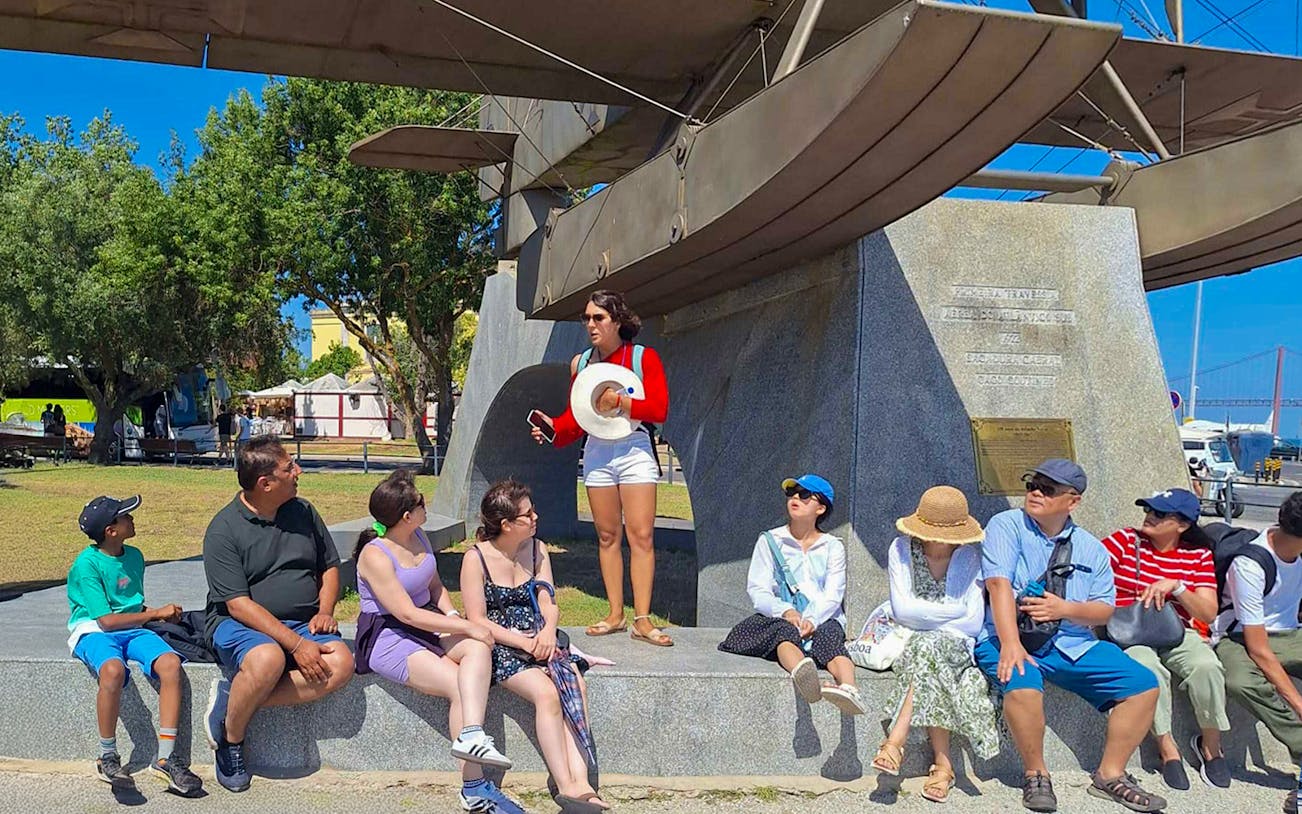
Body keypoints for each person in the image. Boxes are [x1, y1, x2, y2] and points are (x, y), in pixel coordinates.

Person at [974, 459, 1165, 813]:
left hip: (1070, 643)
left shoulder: (1091, 548)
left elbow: (1104, 610)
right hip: (1004, 636)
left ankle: (1110, 774)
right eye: (1032, 483)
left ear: (1072, 501)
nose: (1035, 493)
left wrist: (1064, 609)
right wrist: (1012, 644)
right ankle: (1036, 773)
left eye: (1048, 489)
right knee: (1022, 681)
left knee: (1143, 684)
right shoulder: (1006, 524)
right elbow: (998, 585)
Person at [354, 470, 527, 814]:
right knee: (458, 684)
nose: (425, 505)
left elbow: (434, 588)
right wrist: (467, 625)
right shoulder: (375, 555)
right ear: (406, 515)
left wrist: (453, 619)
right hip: (388, 635)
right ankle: (474, 788)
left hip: (427, 621)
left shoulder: (418, 534)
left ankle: (472, 734)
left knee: (479, 647)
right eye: (421, 502)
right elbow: (406, 614)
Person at [201, 437, 354, 793]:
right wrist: (297, 644)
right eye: (290, 468)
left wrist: (325, 610)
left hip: (304, 621)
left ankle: (232, 700)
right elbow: (238, 604)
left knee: (342, 663)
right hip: (238, 624)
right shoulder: (223, 530)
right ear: (265, 483)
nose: (298, 472)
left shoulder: (303, 512)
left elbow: (329, 566)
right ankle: (231, 739)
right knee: (268, 658)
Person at [530, 290, 672, 647]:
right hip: (597, 452)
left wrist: (620, 401)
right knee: (607, 537)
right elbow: (577, 419)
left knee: (641, 537)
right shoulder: (581, 364)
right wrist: (552, 428)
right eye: (586, 318)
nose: (590, 325)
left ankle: (642, 618)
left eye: (599, 318)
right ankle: (614, 614)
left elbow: (658, 408)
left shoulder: (642, 357)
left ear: (617, 320)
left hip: (634, 446)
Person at [460, 480, 609, 811]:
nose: (535, 517)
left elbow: (548, 599)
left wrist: (547, 633)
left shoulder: (537, 548)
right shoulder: (476, 559)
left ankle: (582, 781)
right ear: (506, 524)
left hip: (541, 637)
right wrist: (523, 642)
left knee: (575, 685)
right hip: (502, 645)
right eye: (527, 515)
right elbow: (477, 620)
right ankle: (566, 785)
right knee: (546, 693)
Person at [67, 495, 203, 796]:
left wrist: (154, 615)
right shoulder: (86, 564)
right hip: (93, 630)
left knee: (170, 664)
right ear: (110, 531)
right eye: (125, 517)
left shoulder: (135, 556)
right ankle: (108, 756)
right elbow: (105, 620)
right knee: (113, 670)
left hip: (133, 627)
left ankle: (167, 759)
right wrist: (156, 613)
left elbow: (130, 605)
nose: (132, 519)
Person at [873, 486, 998, 804]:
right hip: (910, 643)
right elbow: (904, 612)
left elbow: (972, 623)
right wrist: (951, 612)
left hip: (957, 647)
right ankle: (943, 765)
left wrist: (926, 616)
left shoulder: (970, 555)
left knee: (931, 649)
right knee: (929, 650)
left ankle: (895, 743)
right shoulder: (901, 550)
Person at [1101, 489, 1229, 790]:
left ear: (1182, 525)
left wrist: (1178, 586)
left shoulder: (1196, 555)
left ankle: (1211, 745)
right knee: (1148, 670)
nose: (1149, 516)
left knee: (1206, 666)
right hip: (1130, 633)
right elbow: (1087, 567)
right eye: (1148, 510)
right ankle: (1167, 748)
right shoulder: (1124, 541)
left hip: (1177, 631)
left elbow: (1209, 613)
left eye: (1159, 513)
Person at [718, 475, 865, 716]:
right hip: (783, 618)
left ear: (821, 508)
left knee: (830, 637)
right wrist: (786, 612)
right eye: (793, 492)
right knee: (783, 634)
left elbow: (833, 594)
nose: (796, 497)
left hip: (823, 618)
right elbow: (758, 590)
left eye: (805, 494)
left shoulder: (832, 546)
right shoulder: (771, 541)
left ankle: (849, 687)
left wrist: (813, 619)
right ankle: (805, 675)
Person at [1213, 491, 1302, 814]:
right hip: (1239, 637)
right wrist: (1297, 702)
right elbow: (1258, 648)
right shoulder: (1250, 564)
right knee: (1241, 682)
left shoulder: (1298, 552)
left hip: (1290, 633)